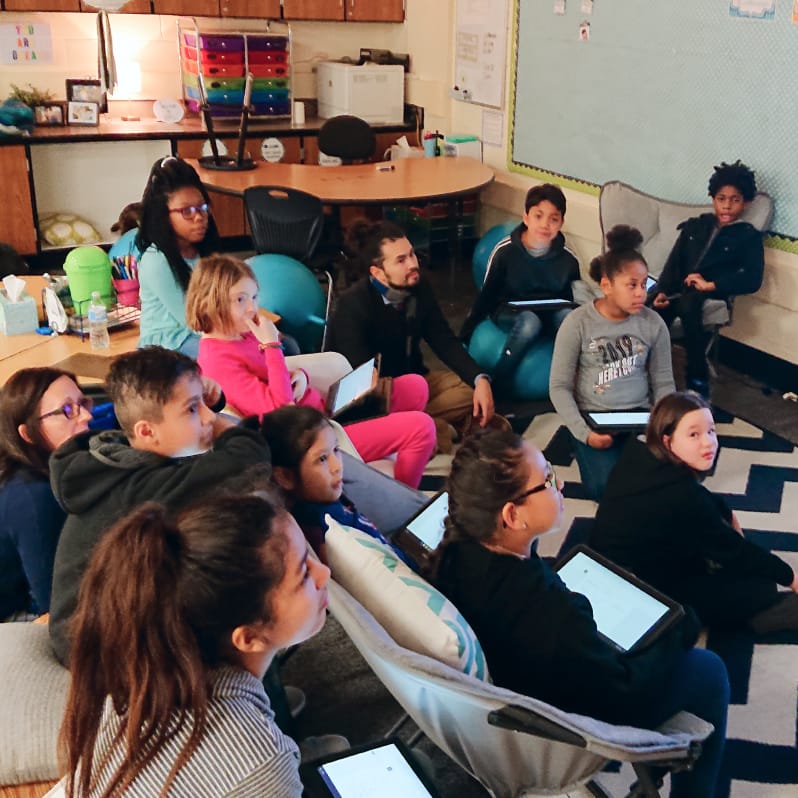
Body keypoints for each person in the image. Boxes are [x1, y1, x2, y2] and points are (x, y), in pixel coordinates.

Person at [431, 429, 729, 797]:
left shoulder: (456, 555)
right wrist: (681, 628)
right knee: (709, 669)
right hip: (571, 717)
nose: (560, 486)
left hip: (530, 677)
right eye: (547, 480)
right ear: (512, 515)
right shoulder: (548, 613)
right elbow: (624, 692)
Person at [60, 493, 328, 797]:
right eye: (304, 573)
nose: (324, 574)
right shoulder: (260, 764)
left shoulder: (142, 687)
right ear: (249, 637)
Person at [48, 346, 271, 666]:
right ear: (146, 432)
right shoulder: (143, 487)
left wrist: (199, 408)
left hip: (112, 618)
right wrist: (221, 425)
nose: (208, 417)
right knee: (242, 605)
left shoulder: (121, 459)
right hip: (97, 646)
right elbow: (249, 461)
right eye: (193, 410)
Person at [186, 254, 436, 489]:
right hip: (315, 438)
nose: (252, 308)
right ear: (213, 303)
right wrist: (272, 345)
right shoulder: (219, 361)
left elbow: (279, 374)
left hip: (322, 412)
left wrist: (300, 377)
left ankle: (396, 460)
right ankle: (403, 502)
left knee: (416, 386)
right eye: (240, 299)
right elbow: (282, 413)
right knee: (421, 428)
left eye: (254, 297)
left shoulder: (240, 333)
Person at [590, 391, 798, 634]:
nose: (708, 442)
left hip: (604, 559)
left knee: (724, 556)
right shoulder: (682, 497)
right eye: (693, 435)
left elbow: (700, 503)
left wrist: (726, 514)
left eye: (711, 431)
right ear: (668, 441)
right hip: (635, 588)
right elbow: (735, 550)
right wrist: (790, 576)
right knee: (759, 588)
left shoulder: (641, 450)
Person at [326, 219, 500, 453]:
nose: (412, 264)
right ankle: (429, 428)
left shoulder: (418, 287)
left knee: (469, 389)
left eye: (411, 254)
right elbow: (359, 380)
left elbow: (443, 339)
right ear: (377, 272)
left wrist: (480, 379)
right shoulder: (353, 305)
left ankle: (426, 427)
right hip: (377, 396)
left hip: (416, 381)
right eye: (401, 260)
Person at [549, 225, 675, 501]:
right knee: (605, 489)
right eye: (631, 285)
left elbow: (664, 382)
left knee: (665, 480)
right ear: (606, 285)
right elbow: (558, 386)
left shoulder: (653, 324)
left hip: (640, 418)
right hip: (595, 420)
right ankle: (576, 443)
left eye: (644, 285)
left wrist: (662, 426)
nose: (641, 293)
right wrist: (584, 433)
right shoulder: (578, 323)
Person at [652, 160, 765, 398]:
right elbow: (674, 263)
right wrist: (662, 290)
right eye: (721, 199)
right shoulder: (696, 226)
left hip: (710, 291)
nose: (727, 206)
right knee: (651, 306)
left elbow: (753, 279)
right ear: (713, 199)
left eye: (735, 200)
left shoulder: (748, 237)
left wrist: (711, 284)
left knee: (689, 304)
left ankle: (697, 375)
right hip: (679, 287)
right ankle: (643, 372)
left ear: (746, 202)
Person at [460, 184, 580, 392]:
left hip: (549, 310)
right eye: (538, 216)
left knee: (569, 320)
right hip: (510, 309)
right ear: (526, 217)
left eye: (553, 219)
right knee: (530, 322)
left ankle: (573, 383)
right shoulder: (505, 251)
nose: (545, 224)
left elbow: (572, 298)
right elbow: (487, 294)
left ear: (561, 222)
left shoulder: (568, 258)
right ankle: (501, 381)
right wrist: (465, 335)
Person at [261, 404, 412, 566]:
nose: (337, 466)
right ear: (285, 477)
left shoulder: (324, 496)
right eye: (322, 459)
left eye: (336, 449)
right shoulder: (325, 536)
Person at [0, 368, 92, 619]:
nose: (85, 416)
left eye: (83, 403)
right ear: (28, 434)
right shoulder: (33, 497)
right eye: (67, 410)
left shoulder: (39, 469)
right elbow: (56, 610)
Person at [136, 156, 222, 358]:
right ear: (163, 215)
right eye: (187, 211)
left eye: (202, 208)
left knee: (286, 345)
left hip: (204, 332)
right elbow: (193, 321)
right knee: (239, 356)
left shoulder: (203, 249)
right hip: (167, 346)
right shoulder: (156, 260)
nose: (199, 217)